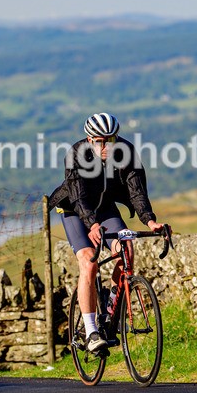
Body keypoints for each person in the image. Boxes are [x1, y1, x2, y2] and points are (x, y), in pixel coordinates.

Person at [48, 112, 168, 354]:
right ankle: (91, 331)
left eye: (111, 140)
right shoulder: (76, 153)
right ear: (89, 140)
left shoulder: (126, 151)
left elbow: (137, 191)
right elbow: (78, 196)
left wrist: (150, 221)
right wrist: (92, 225)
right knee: (89, 262)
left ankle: (112, 307)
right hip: (74, 210)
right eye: (100, 141)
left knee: (126, 249)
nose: (106, 147)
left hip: (104, 208)